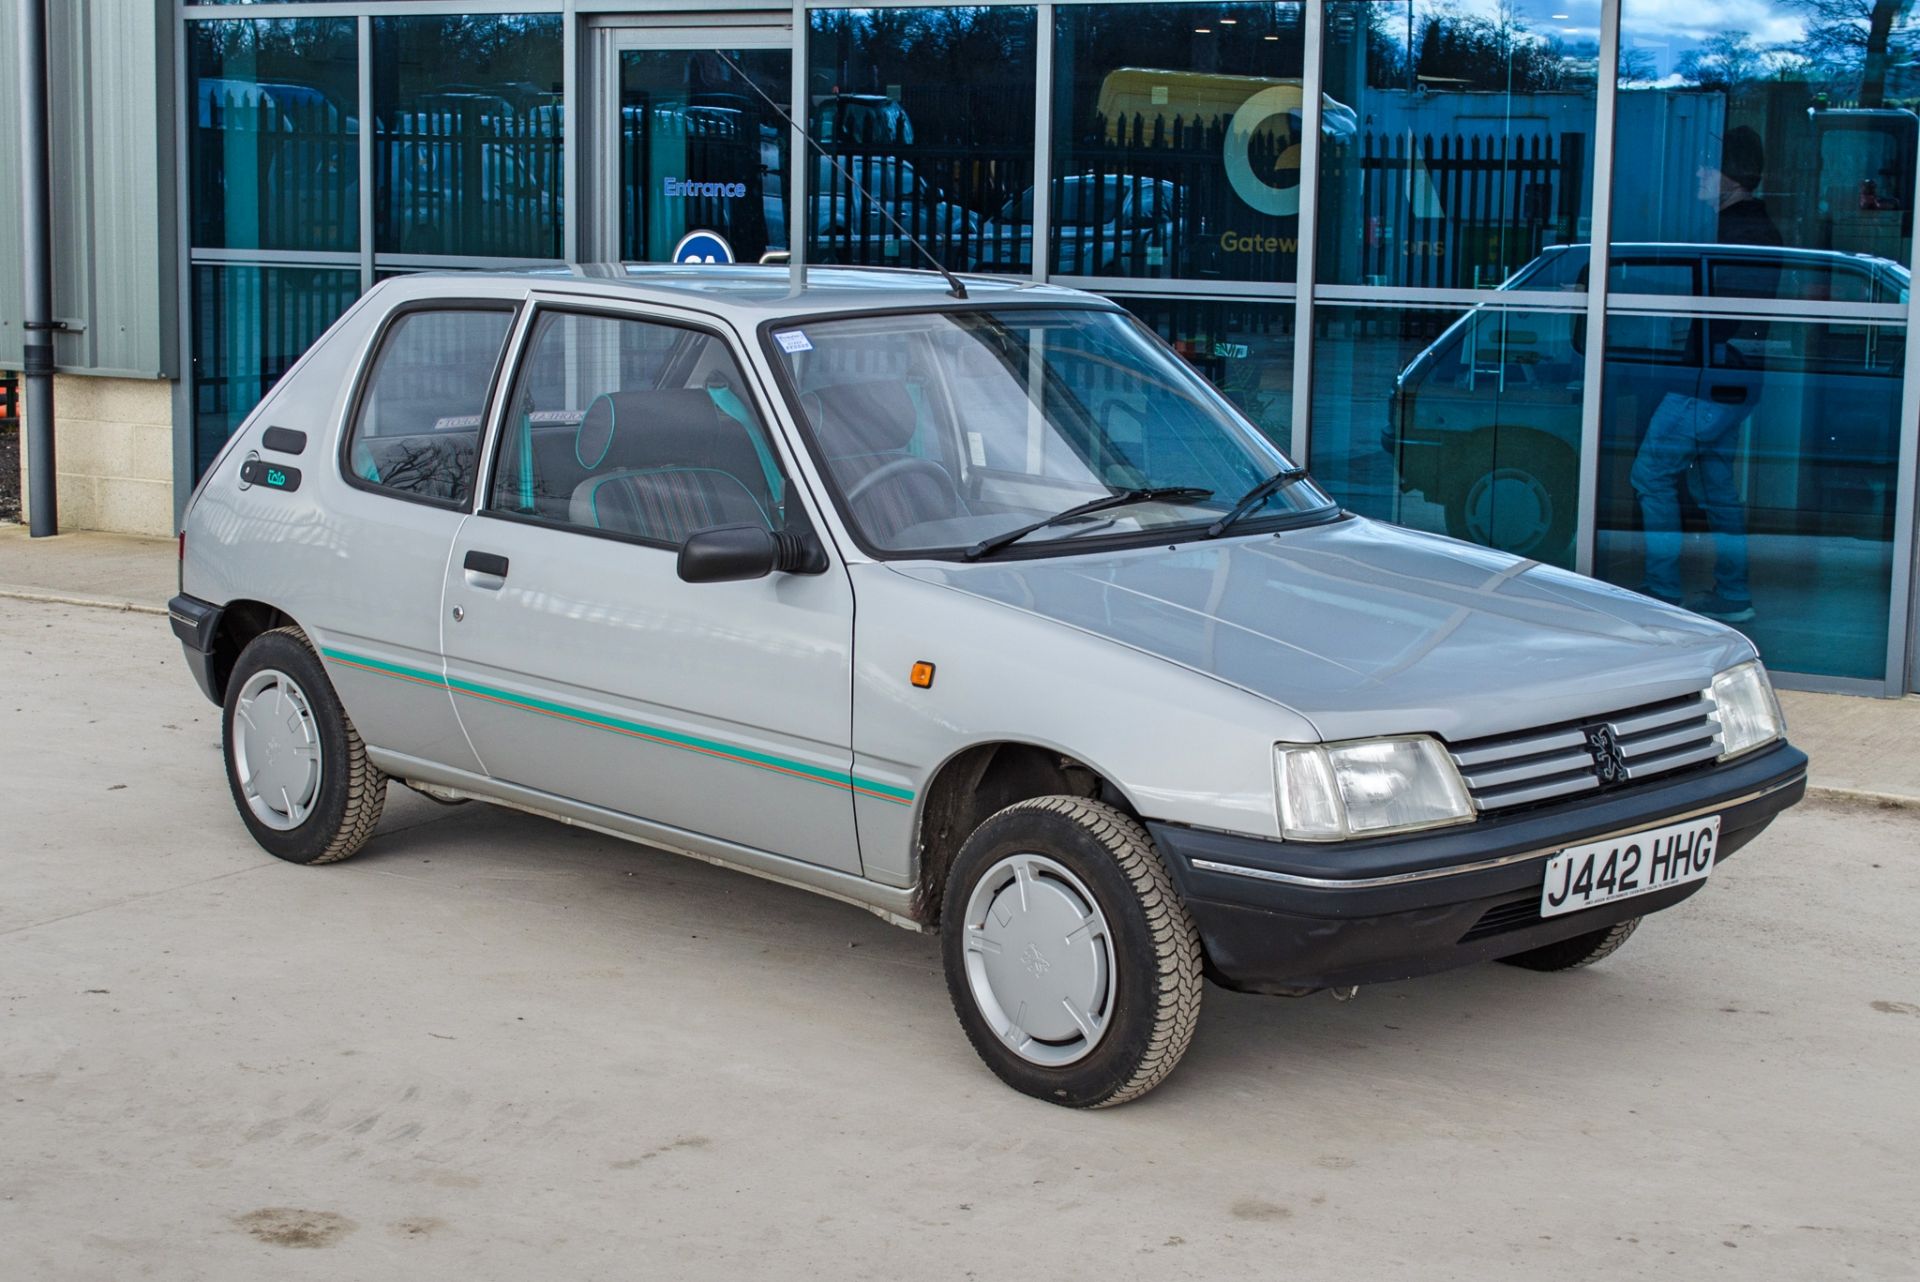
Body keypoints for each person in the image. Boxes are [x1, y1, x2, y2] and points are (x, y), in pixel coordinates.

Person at [1631, 125, 1778, 624]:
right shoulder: (1751, 227)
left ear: (1731, 177)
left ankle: (1661, 592)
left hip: (1710, 381)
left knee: (1650, 474)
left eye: (1707, 166)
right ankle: (1734, 595)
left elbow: (1728, 316)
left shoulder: (1740, 233)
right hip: (1731, 382)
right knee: (1717, 489)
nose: (1698, 172)